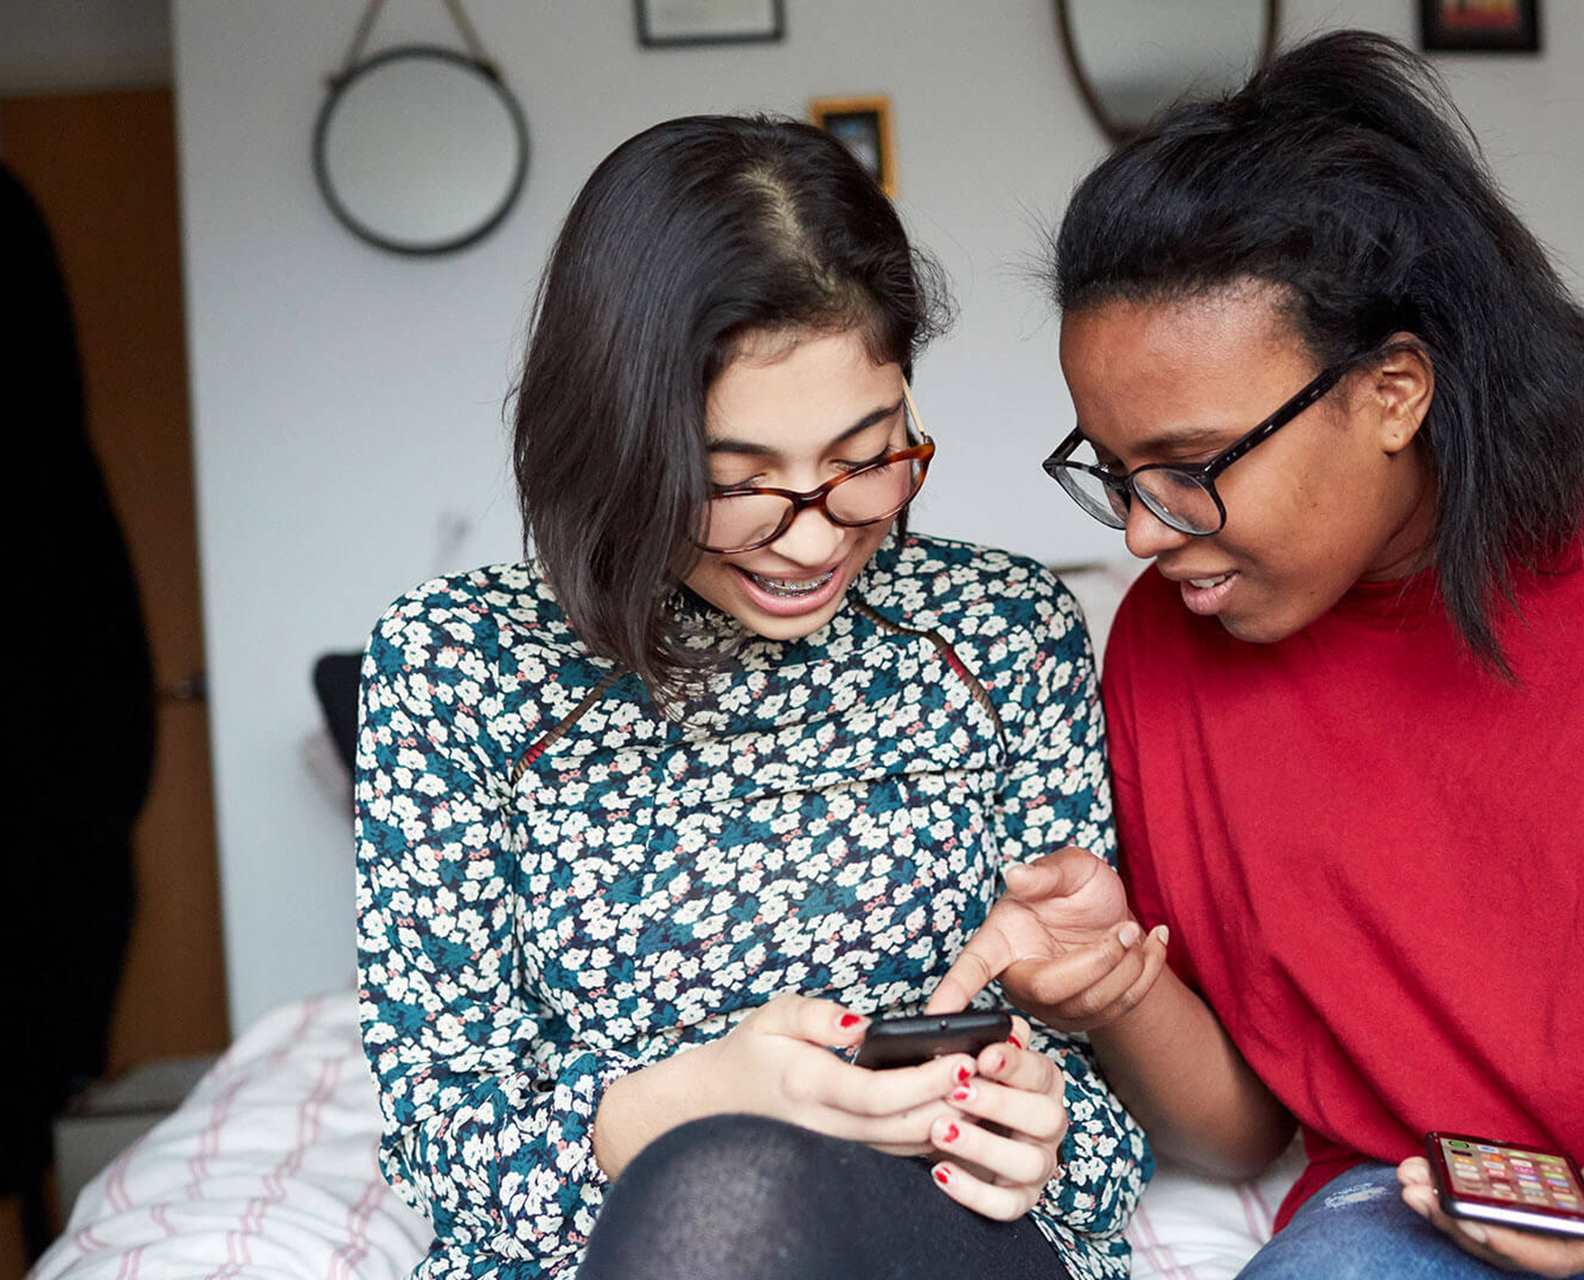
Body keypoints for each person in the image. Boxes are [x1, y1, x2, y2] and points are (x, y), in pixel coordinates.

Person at [931, 30, 1584, 1280]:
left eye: (1190, 468)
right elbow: (1246, 1125)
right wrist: (1119, 988)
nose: (1142, 530)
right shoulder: (1168, 649)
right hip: (1419, 1219)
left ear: (1395, 390)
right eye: (1115, 473)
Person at [353, 115, 1147, 1280]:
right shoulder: (455, 667)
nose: (814, 534)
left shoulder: (1004, 629)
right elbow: (441, 1130)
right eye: (736, 484)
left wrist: (1046, 1135)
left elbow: (1096, 1111)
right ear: (617, 448)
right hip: (609, 1239)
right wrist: (677, 1106)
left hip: (942, 1236)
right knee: (719, 1195)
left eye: (867, 455)